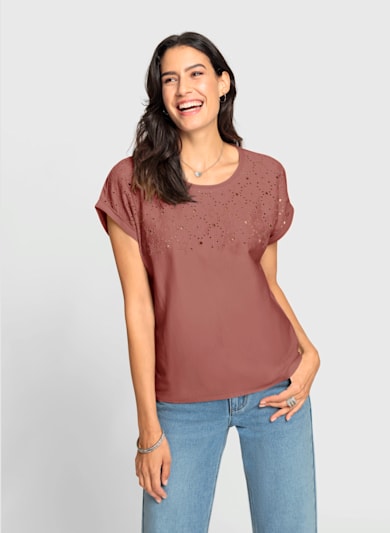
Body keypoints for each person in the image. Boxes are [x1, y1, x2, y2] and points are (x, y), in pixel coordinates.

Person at [95, 31, 320, 533]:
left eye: (196, 73)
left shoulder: (266, 175)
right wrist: (148, 428)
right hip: (181, 405)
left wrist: (309, 352)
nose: (183, 89)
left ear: (223, 83)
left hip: (275, 393)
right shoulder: (131, 182)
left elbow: (265, 283)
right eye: (169, 79)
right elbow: (138, 308)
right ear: (160, 94)